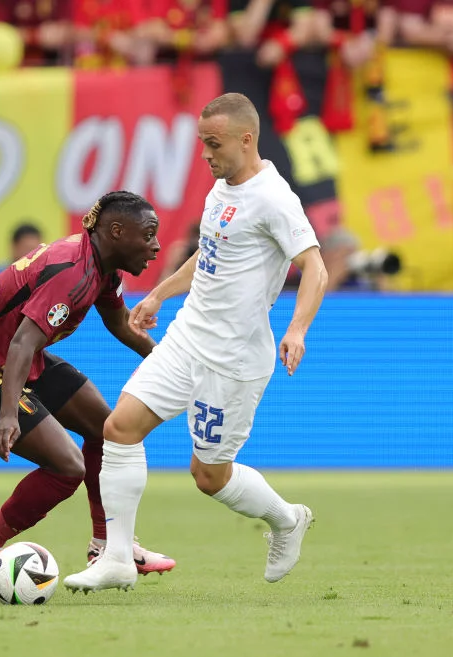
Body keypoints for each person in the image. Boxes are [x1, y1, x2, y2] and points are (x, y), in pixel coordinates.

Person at [64, 93, 328, 593]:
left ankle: (287, 519)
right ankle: (116, 558)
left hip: (233, 359)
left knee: (209, 476)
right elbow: (207, 256)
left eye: (214, 144)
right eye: (203, 143)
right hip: (186, 338)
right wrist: (158, 294)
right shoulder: (220, 189)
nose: (206, 154)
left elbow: (315, 266)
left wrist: (297, 329)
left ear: (246, 140)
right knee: (119, 428)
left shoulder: (274, 199)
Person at [0, 190, 176, 578]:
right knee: (68, 468)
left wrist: (172, 364)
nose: (155, 246)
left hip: (20, 359)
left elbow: (120, 324)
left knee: (107, 430)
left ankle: (108, 546)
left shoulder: (102, 265)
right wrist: (8, 415)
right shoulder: (72, 272)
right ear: (117, 231)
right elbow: (21, 343)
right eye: (149, 234)